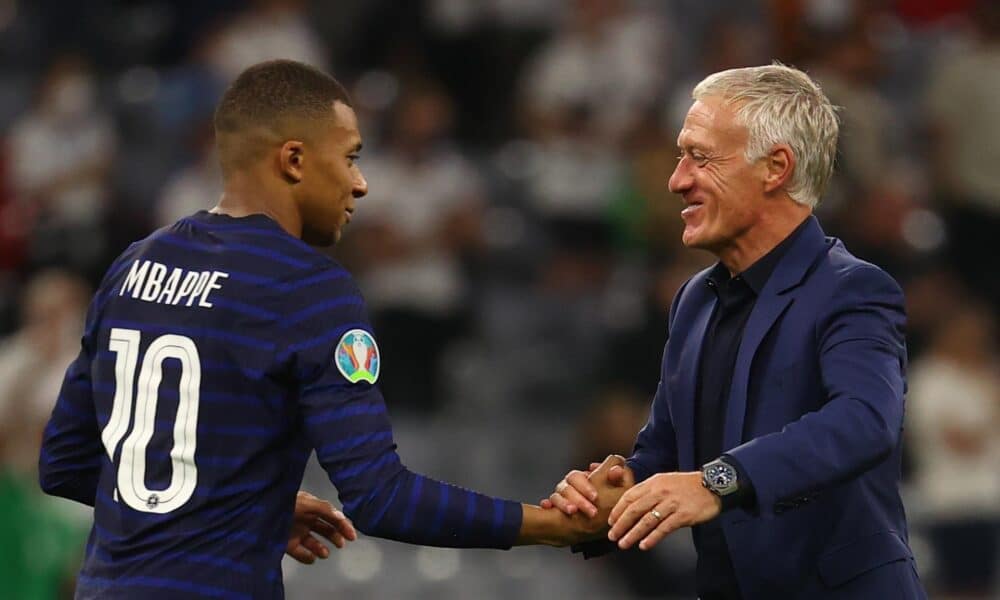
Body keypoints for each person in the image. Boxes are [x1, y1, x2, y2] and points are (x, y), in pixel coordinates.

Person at [38, 59, 618, 600]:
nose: (360, 184)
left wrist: (244, 504)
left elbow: (64, 462)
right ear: (294, 160)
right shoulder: (308, 288)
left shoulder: (134, 265)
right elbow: (380, 497)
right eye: (350, 158)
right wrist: (550, 527)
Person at [544, 64, 926, 599]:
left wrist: (716, 482)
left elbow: (864, 420)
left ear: (775, 168)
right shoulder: (694, 300)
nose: (677, 180)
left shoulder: (853, 289)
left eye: (700, 157)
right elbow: (666, 455)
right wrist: (613, 492)